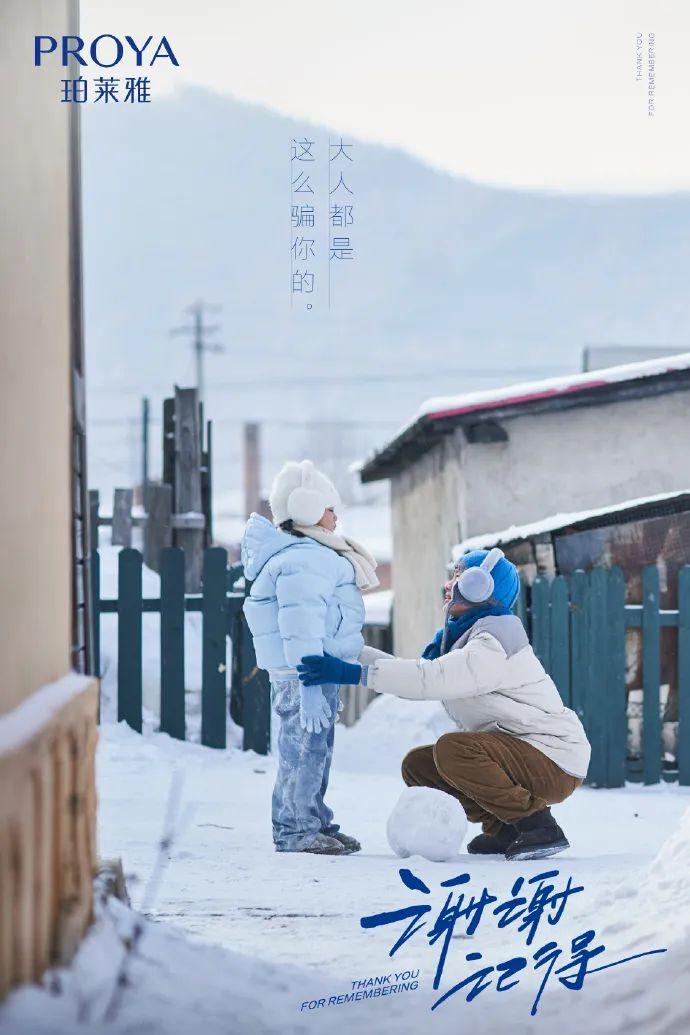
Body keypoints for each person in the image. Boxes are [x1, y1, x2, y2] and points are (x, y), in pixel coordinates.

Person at [297, 548, 591, 861]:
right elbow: (415, 673)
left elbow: (430, 679)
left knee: (455, 751)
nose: (449, 584)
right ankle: (505, 828)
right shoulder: (465, 635)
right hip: (520, 752)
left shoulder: (495, 639)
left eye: (459, 576)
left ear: (480, 586)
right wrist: (351, 653)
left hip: (553, 760)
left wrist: (354, 674)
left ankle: (538, 826)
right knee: (421, 766)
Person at [241, 459, 378, 856]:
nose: (337, 517)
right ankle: (295, 829)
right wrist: (310, 682)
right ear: (307, 507)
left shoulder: (311, 554)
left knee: (315, 750)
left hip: (315, 670)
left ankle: (314, 820)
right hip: (306, 673)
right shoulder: (305, 558)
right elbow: (301, 625)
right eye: (332, 508)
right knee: (301, 750)